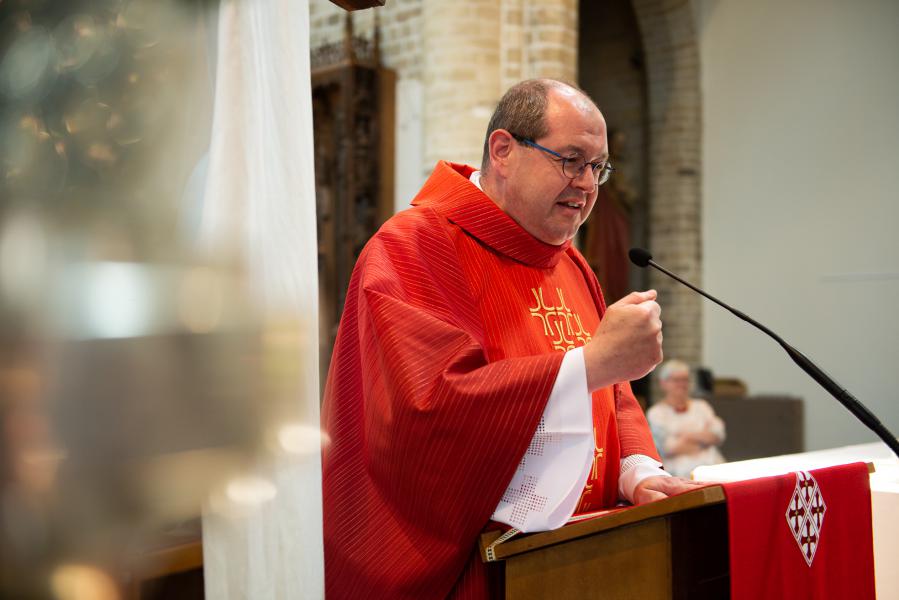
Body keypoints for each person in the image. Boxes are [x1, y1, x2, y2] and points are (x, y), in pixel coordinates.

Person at [321, 79, 704, 599]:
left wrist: (636, 468)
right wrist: (588, 366)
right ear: (503, 150)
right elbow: (426, 412)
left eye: (598, 167)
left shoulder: (570, 262)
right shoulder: (412, 247)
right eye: (571, 160)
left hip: (587, 557)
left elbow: (613, 390)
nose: (588, 184)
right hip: (477, 571)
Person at [647, 360, 726, 478]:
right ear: (663, 383)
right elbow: (668, 449)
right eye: (676, 380)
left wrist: (686, 436)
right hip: (679, 473)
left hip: (713, 466)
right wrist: (703, 441)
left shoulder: (702, 406)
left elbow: (717, 436)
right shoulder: (656, 413)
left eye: (685, 380)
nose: (681, 384)